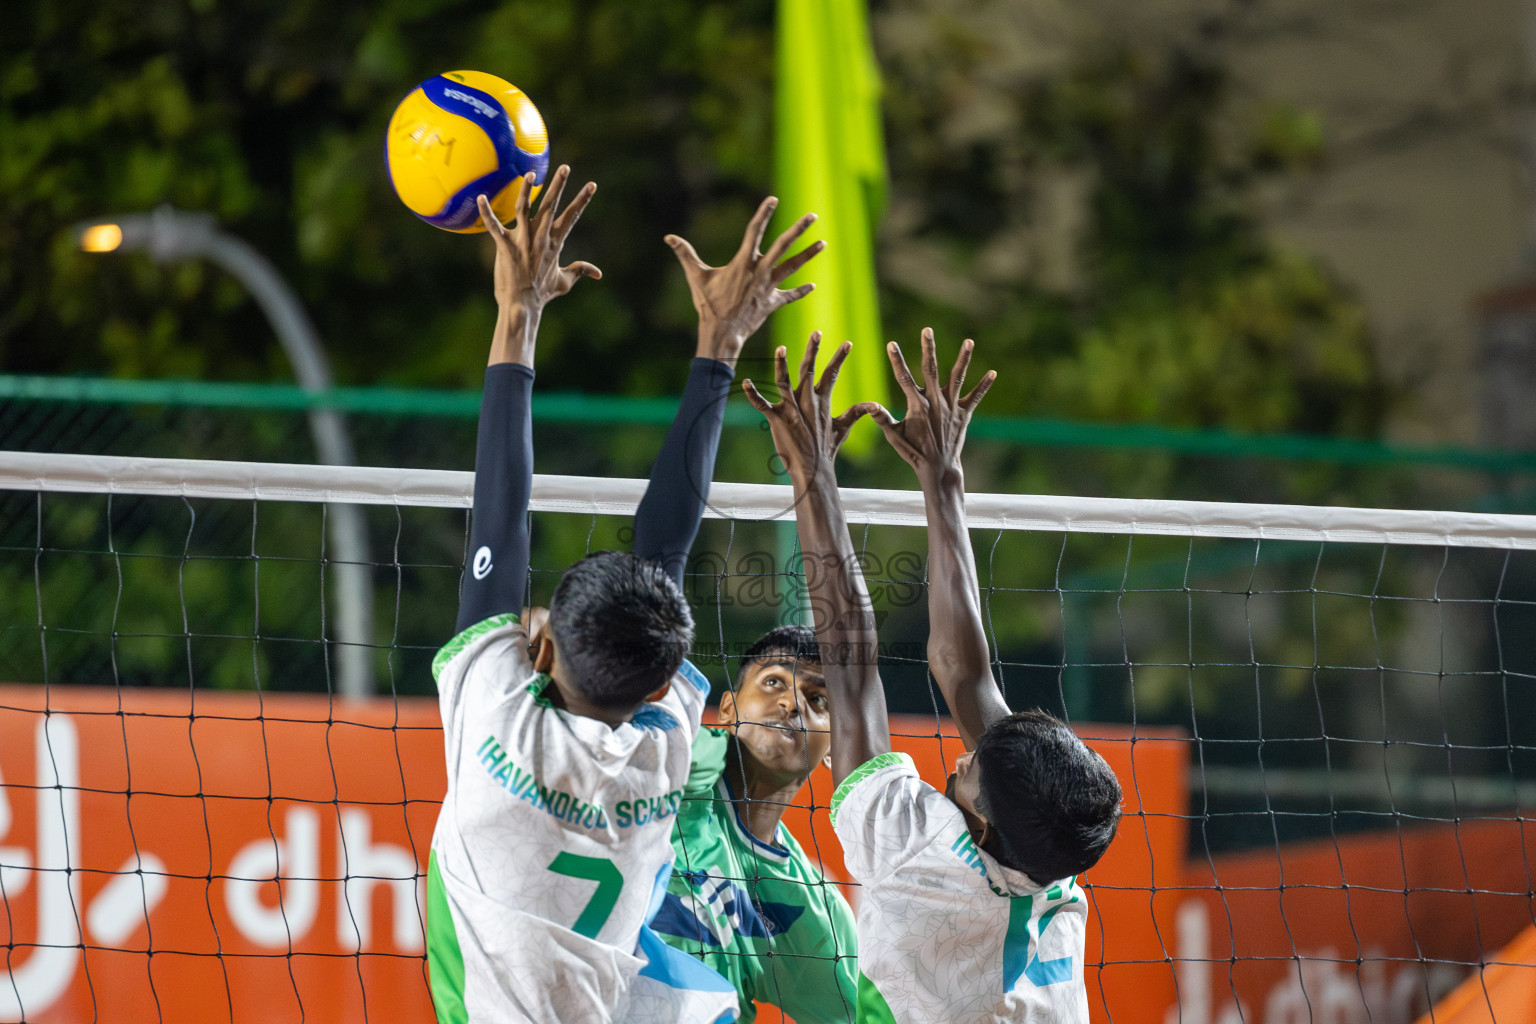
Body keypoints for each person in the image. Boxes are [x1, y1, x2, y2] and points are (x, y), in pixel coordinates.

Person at [426, 165, 825, 1024]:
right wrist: (717, 347)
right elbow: (640, 548)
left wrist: (519, 312)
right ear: (660, 686)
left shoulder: (516, 716)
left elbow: (529, 522)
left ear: (539, 648)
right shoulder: (663, 746)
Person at [743, 330, 1123, 1023]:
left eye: (971, 769)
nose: (964, 751)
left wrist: (811, 470)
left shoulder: (920, 854)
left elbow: (850, 669)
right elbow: (962, 675)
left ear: (977, 821)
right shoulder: (1057, 860)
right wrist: (942, 478)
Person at [651, 624, 860, 1023]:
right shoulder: (685, 763)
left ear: (836, 742)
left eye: (818, 699)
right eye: (773, 682)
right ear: (728, 709)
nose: (791, 703)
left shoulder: (817, 912)